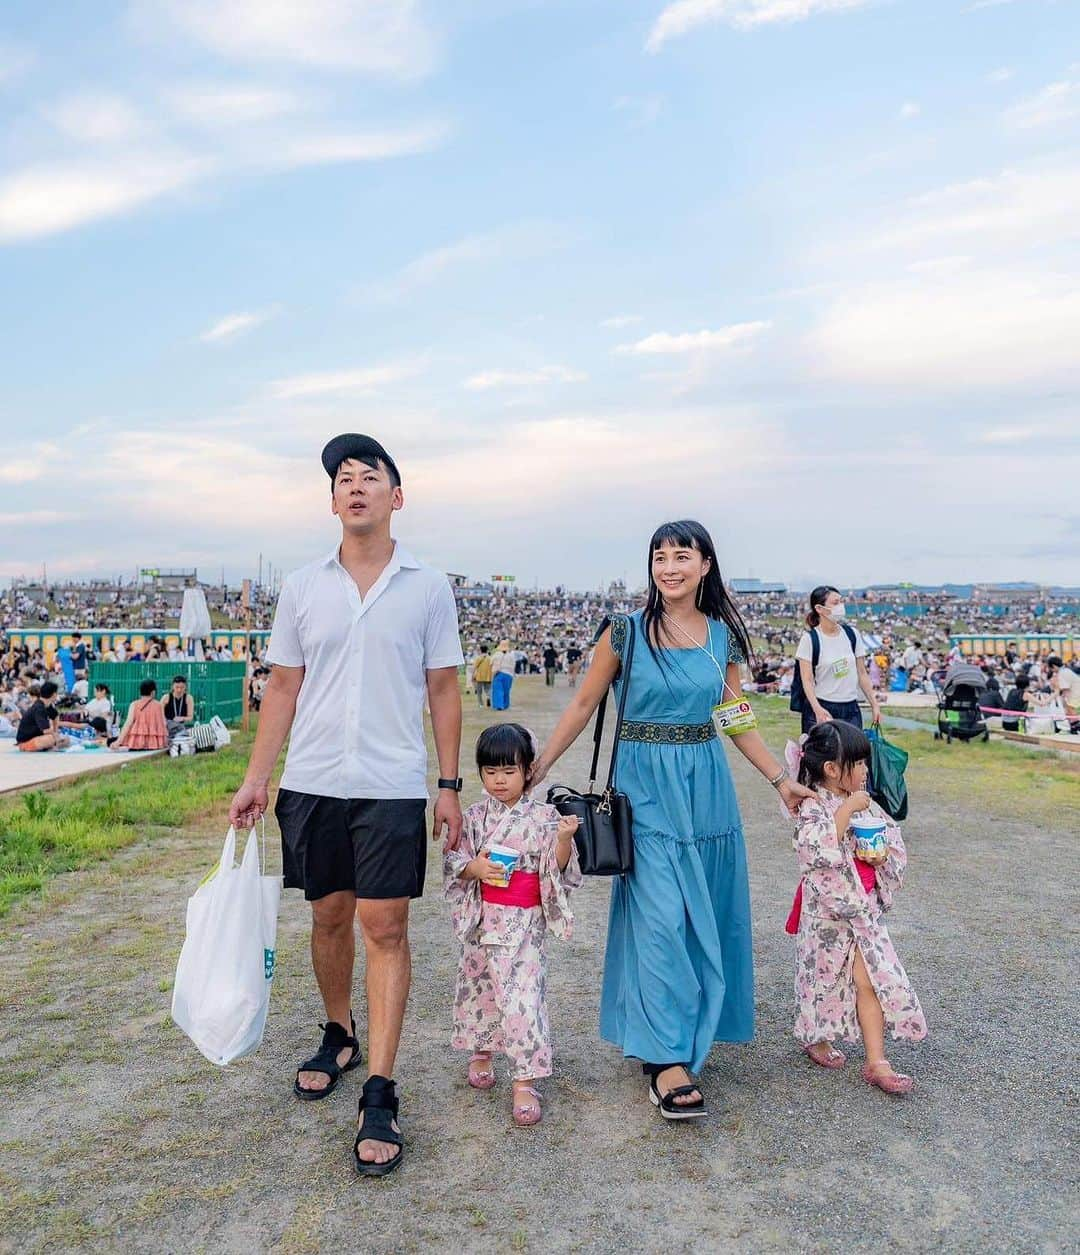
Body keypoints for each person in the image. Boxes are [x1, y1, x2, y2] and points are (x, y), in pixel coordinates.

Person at [228, 433, 464, 1178]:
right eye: (343, 479)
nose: (355, 486)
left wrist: (449, 783)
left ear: (399, 495)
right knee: (328, 913)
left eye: (371, 476)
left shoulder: (429, 586)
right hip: (315, 778)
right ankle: (339, 1031)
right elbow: (285, 687)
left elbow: (443, 689)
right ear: (332, 501)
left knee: (384, 924)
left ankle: (382, 1090)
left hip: (392, 781)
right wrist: (257, 775)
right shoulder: (302, 586)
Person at [530, 520, 812, 1120]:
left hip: (704, 786)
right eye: (659, 556)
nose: (668, 566)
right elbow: (583, 703)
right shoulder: (625, 632)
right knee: (658, 916)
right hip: (643, 788)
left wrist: (779, 779)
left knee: (702, 909)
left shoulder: (720, 638)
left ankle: (689, 1027)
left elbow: (733, 714)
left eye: (681, 555)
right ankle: (662, 1057)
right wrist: (540, 765)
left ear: (705, 564)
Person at [444, 723, 581, 1126]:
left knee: (523, 997)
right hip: (483, 920)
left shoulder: (543, 817)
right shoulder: (474, 816)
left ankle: (525, 1078)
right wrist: (475, 867)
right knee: (482, 989)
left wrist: (563, 841)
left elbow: (556, 873)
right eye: (490, 772)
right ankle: (482, 1051)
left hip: (525, 925)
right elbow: (453, 865)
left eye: (508, 771)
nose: (499, 781)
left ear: (527, 770)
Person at [785, 720, 926, 1093]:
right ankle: (817, 1036)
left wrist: (882, 859)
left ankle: (877, 1061)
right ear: (832, 769)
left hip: (864, 911)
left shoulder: (866, 803)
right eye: (859, 763)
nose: (866, 770)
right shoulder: (812, 806)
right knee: (822, 979)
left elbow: (892, 842)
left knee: (870, 981)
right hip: (827, 915)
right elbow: (814, 850)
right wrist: (846, 809)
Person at [795, 587, 879, 735]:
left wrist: (874, 704)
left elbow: (862, 673)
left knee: (852, 756)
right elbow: (807, 680)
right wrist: (817, 709)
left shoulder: (852, 634)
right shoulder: (809, 639)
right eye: (835, 603)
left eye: (841, 601)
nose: (840, 606)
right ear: (820, 609)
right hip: (822, 705)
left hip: (851, 708)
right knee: (824, 756)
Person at [112, 679, 169, 750]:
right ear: (153, 692)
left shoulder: (134, 704)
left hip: (136, 743)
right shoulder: (158, 705)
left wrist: (118, 742)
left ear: (140, 691)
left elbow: (128, 723)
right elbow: (163, 723)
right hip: (155, 743)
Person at [15, 680, 69, 752]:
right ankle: (50, 745)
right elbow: (46, 730)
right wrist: (56, 735)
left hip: (37, 737)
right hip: (26, 741)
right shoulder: (39, 708)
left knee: (66, 739)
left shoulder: (47, 705)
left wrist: (56, 732)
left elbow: (55, 716)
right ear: (54, 695)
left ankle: (51, 745)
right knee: (50, 739)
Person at [490, 640, 515, 711]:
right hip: (509, 674)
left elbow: (491, 663)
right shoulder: (511, 655)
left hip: (499, 673)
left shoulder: (496, 654)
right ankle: (506, 704)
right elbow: (513, 665)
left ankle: (499, 705)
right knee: (506, 690)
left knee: (498, 690)